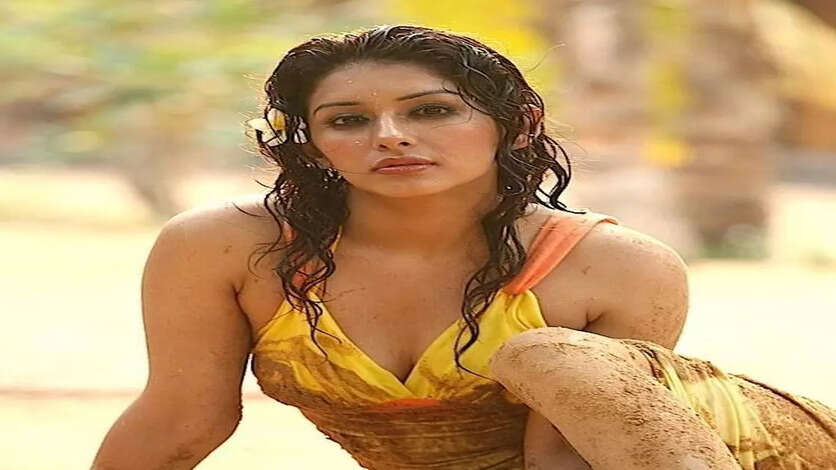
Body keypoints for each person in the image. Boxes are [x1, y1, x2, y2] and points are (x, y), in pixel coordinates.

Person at [91, 25, 835, 470]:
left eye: (432, 111)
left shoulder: (613, 265)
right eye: (348, 120)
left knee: (547, 355)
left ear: (516, 125)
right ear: (312, 146)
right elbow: (182, 422)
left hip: (748, 455)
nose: (390, 136)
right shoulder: (226, 247)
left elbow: (564, 459)